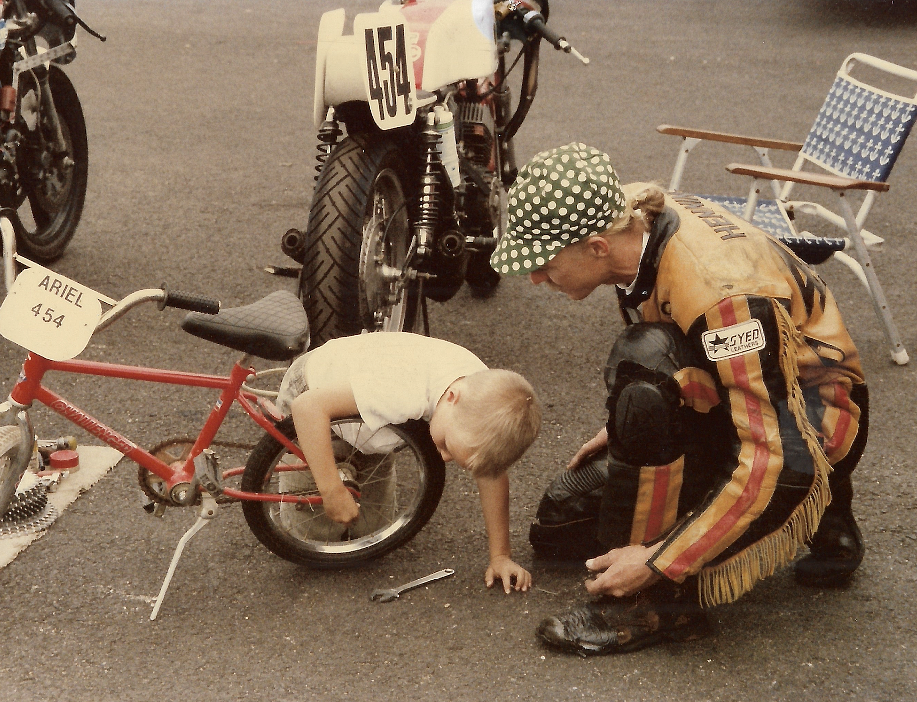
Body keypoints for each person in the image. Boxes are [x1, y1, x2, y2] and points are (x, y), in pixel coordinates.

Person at [490, 143, 869, 654]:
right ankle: (826, 516)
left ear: (597, 247)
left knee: (645, 373)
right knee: (561, 523)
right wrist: (623, 424)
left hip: (814, 427)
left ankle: (661, 607)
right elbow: (676, 335)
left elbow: (778, 458)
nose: (536, 279)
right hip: (761, 389)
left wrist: (659, 561)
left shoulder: (726, 299)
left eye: (544, 263)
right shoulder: (631, 219)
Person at [275, 331, 542, 593]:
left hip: (371, 419)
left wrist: (500, 556)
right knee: (315, 536)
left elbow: (491, 475)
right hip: (314, 397)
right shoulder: (402, 392)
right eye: (446, 446)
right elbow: (307, 407)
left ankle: (356, 464)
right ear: (452, 398)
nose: (443, 457)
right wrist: (331, 490)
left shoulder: (482, 397)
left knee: (370, 532)